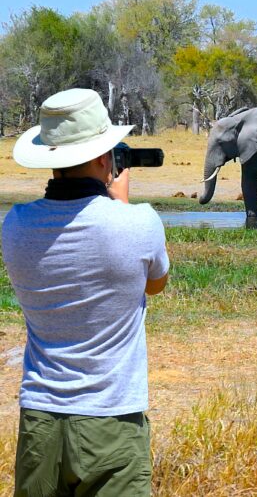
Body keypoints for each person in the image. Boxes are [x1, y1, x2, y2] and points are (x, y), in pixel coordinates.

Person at [0, 88, 169, 496]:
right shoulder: (137, 223)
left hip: (41, 417)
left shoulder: (15, 224)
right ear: (101, 157)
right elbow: (155, 284)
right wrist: (122, 204)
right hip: (112, 416)